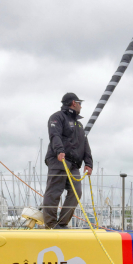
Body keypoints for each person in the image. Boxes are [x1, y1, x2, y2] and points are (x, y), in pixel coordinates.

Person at [42, 92, 93, 228]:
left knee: (76, 192)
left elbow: (84, 143)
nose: (81, 106)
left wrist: (89, 163)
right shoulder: (57, 118)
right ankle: (51, 224)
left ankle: (62, 223)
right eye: (80, 103)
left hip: (74, 164)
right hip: (59, 160)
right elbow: (54, 135)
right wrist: (59, 150)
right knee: (54, 192)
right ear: (74, 103)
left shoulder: (79, 125)